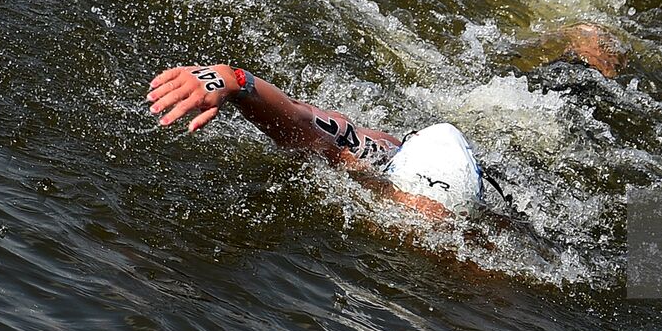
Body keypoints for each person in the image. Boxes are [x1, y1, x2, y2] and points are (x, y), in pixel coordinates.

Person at [147, 64, 485, 217]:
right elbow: (297, 120)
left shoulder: (472, 237)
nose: (430, 220)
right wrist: (231, 81)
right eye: (424, 211)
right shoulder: (363, 165)